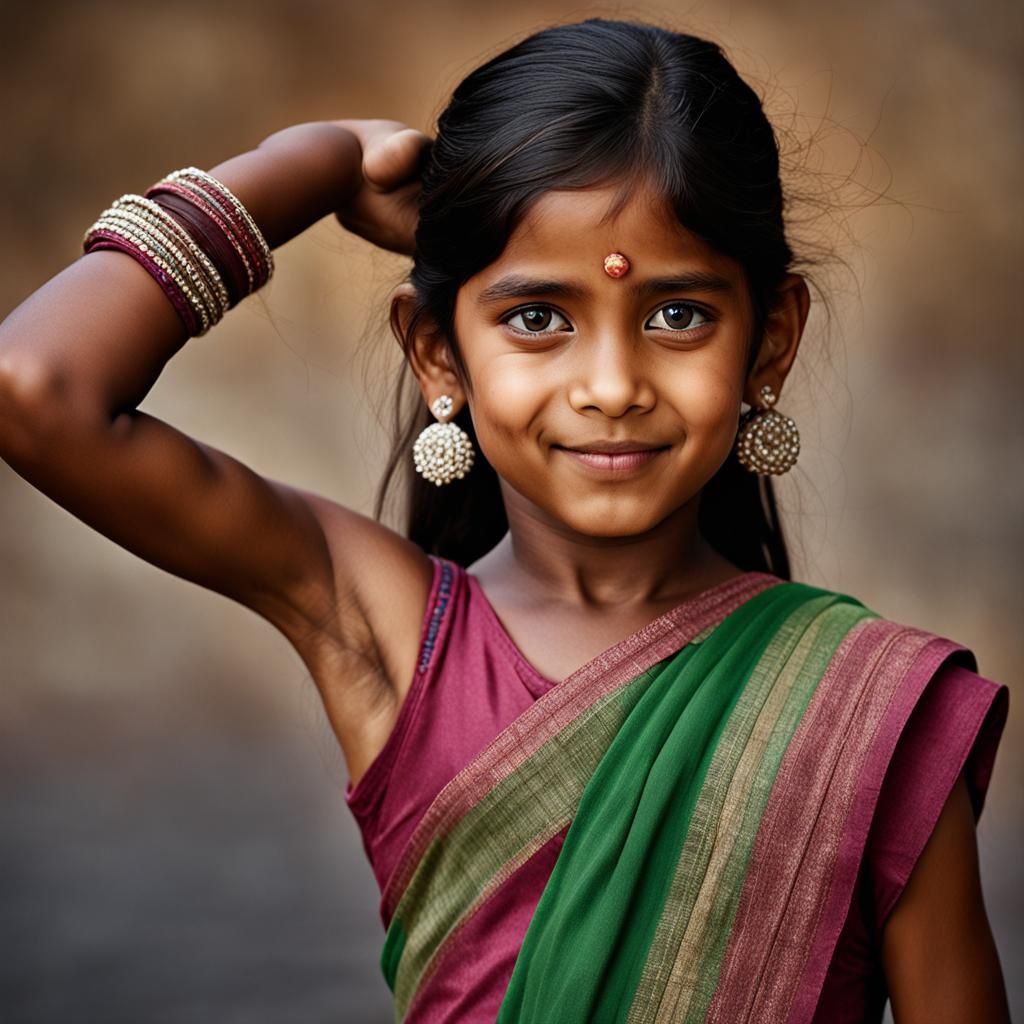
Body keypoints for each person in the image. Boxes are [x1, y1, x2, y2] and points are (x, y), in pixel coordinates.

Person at [0, 17, 1011, 1024]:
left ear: (770, 340)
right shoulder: (390, 633)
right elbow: (36, 388)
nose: (611, 386)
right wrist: (316, 161)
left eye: (676, 315)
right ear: (438, 354)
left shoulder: (874, 708)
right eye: (538, 318)